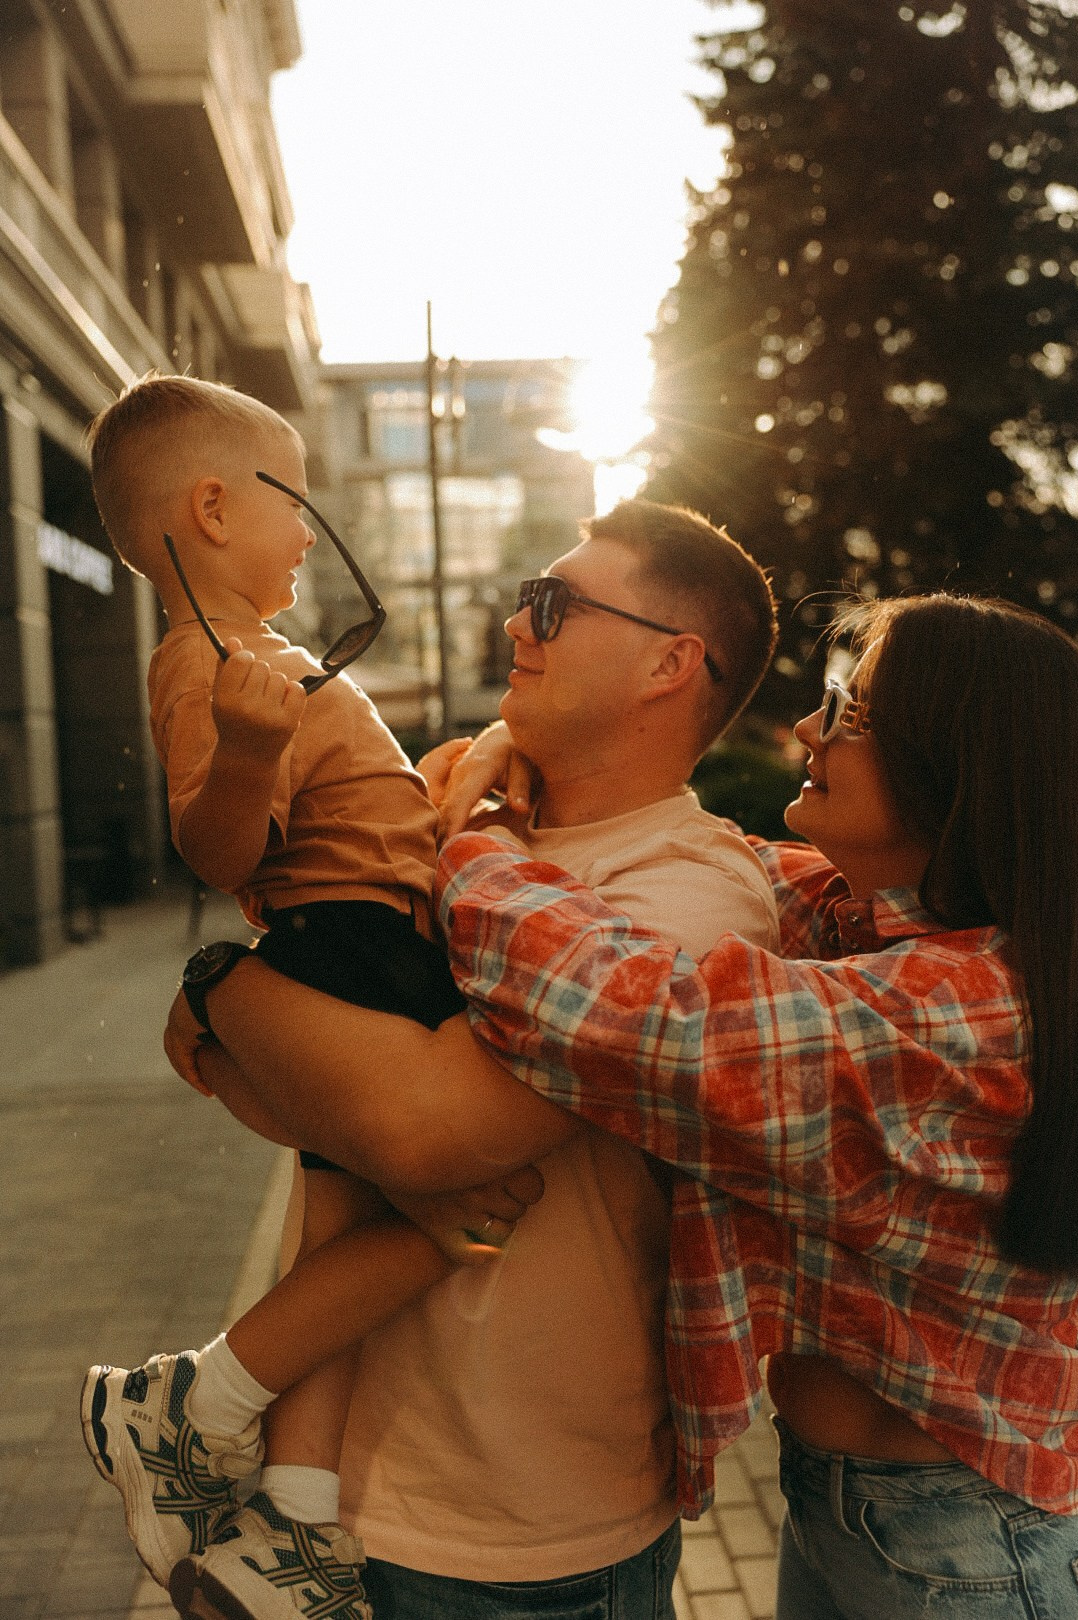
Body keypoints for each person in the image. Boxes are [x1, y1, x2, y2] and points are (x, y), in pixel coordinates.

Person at [169, 593, 1078, 1619]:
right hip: (863, 1507)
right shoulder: (869, 923)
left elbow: (621, 1005)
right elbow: (713, 862)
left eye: (851, 712)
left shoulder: (958, 1008)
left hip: (962, 1541)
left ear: (960, 762)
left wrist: (482, 821)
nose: (808, 729)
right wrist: (521, 749)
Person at [167, 497, 782, 1620]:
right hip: (327, 1500)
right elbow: (295, 1097)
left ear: (671, 663)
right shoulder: (452, 820)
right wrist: (242, 1019)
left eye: (554, 602)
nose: (518, 627)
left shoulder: (695, 897)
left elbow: (419, 1132)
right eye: (523, 603)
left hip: (525, 1545)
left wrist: (220, 991)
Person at [80, 373, 487, 1620]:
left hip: (355, 946)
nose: (310, 530)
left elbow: (343, 805)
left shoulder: (255, 653)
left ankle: (292, 1528)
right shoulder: (208, 662)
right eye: (294, 503)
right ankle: (187, 1408)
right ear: (213, 507)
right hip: (356, 958)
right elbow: (218, 851)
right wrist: (252, 749)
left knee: (340, 1241)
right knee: (449, 1221)